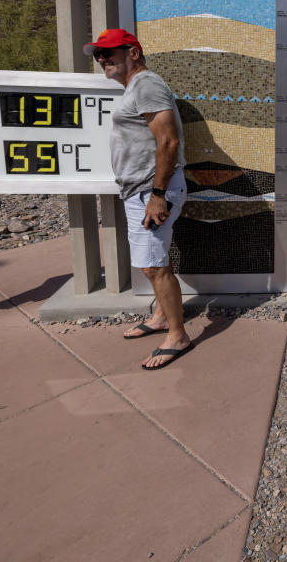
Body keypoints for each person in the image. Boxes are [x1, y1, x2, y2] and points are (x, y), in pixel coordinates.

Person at [83, 29, 192, 370]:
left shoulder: (146, 84)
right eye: (98, 54)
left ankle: (177, 335)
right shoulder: (136, 87)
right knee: (155, 259)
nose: (102, 58)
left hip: (151, 190)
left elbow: (169, 142)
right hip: (142, 190)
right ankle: (161, 316)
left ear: (133, 52)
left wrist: (158, 196)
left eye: (109, 52)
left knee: (153, 266)